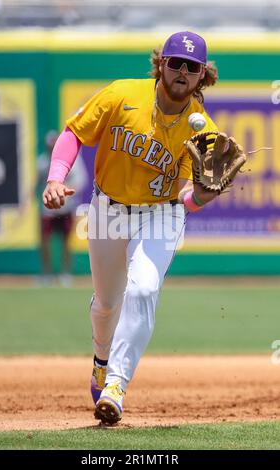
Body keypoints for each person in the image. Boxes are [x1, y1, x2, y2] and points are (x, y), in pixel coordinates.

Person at [42, 31, 221, 424]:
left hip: (161, 214)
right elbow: (74, 132)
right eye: (176, 62)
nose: (182, 71)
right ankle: (101, 359)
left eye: (192, 68)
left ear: (201, 78)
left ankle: (116, 386)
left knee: (143, 288)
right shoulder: (122, 95)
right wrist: (56, 178)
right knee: (107, 303)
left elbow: (187, 198)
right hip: (107, 208)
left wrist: (202, 197)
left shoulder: (201, 130)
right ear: (161, 64)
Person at [37, 130, 88, 286]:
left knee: (66, 242)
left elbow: (81, 181)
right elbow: (38, 184)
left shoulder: (73, 160)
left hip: (66, 206)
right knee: (45, 241)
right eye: (50, 145)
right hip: (48, 208)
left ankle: (66, 273)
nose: (52, 147)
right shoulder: (43, 162)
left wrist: (65, 190)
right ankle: (47, 274)